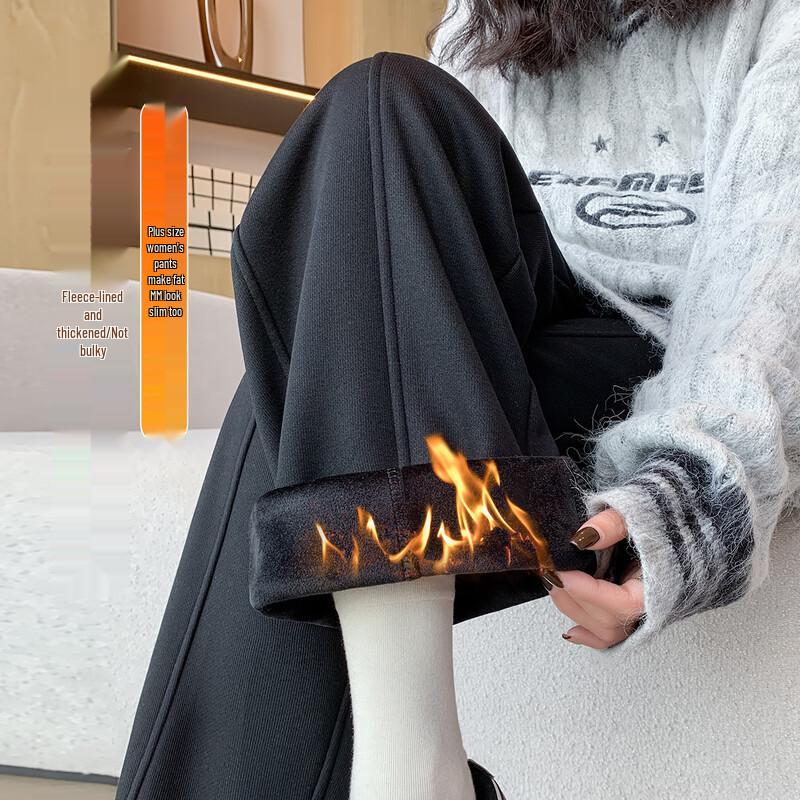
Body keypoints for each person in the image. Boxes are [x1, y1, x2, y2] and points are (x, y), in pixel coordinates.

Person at [116, 1, 800, 799]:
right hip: (497, 341)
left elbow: (775, 277)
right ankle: (418, 767)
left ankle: (412, 779)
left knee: (294, 406)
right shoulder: (492, 14)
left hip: (669, 346)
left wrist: (691, 500)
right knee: (377, 102)